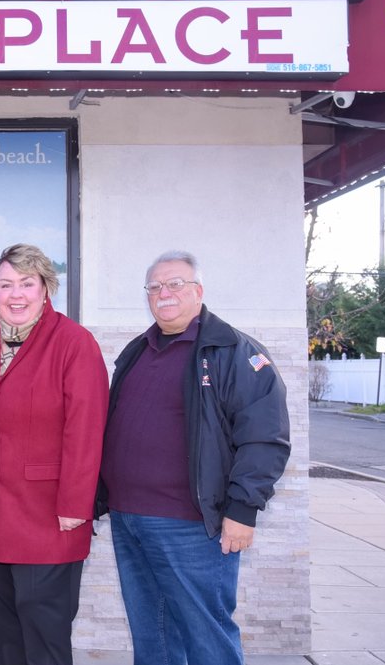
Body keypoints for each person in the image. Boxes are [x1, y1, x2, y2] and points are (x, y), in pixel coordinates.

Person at [96, 250, 291, 665]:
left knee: (208, 639)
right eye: (155, 287)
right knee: (153, 638)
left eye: (175, 284)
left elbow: (264, 436)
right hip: (129, 520)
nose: (164, 293)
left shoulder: (232, 350)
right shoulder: (138, 350)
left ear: (198, 291)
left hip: (191, 526)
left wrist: (243, 509)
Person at [0, 243, 109, 665]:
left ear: (46, 290)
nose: (16, 294)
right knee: (6, 635)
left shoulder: (74, 343)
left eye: (27, 283)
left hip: (49, 517)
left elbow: (86, 430)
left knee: (45, 636)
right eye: (6, 284)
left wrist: (76, 506)